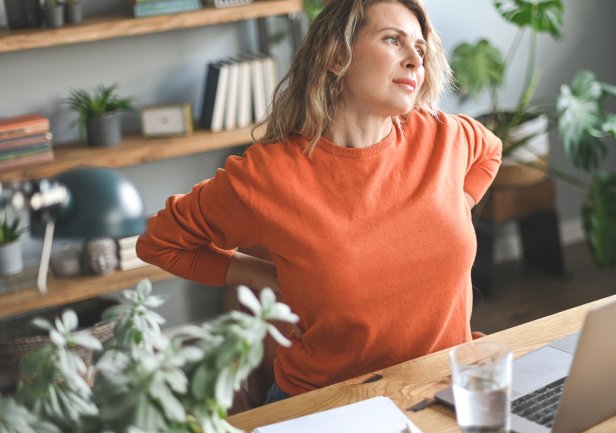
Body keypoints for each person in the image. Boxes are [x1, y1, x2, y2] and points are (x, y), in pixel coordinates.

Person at [136, 0, 502, 404]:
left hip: (442, 388)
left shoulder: (445, 136)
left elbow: (491, 152)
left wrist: (456, 205)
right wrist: (261, 276)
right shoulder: (268, 175)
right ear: (335, 56)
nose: (415, 58)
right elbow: (160, 242)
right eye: (393, 40)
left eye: (419, 46)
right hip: (327, 404)